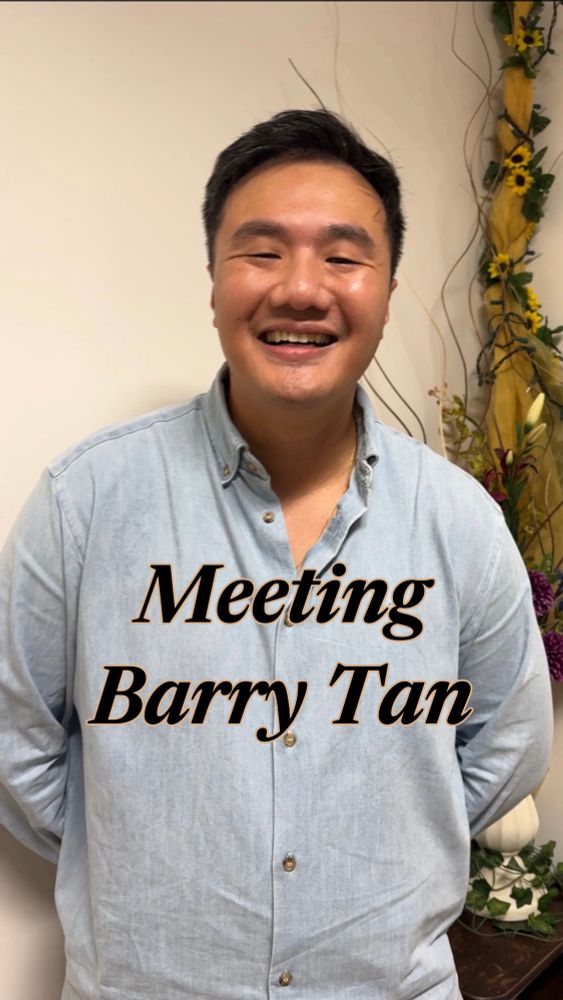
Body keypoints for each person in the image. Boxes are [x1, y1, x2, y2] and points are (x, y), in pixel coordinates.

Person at [0, 108, 553, 1000]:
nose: (301, 289)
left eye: (342, 256)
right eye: (261, 251)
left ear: (387, 285)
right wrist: (144, 850)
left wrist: (390, 849)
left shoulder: (459, 521)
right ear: (214, 280)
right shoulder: (86, 503)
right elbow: (16, 743)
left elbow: (504, 749)